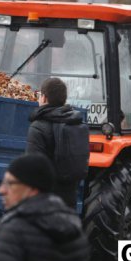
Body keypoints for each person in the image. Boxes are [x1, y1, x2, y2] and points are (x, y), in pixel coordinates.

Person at [0, 154, 90, 261]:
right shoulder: (74, 230)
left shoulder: (15, 231)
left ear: (32, 189)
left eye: (10, 183)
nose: (1, 190)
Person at [26, 77, 89, 208]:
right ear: (64, 99)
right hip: (69, 199)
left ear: (44, 98)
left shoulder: (38, 126)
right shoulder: (76, 123)